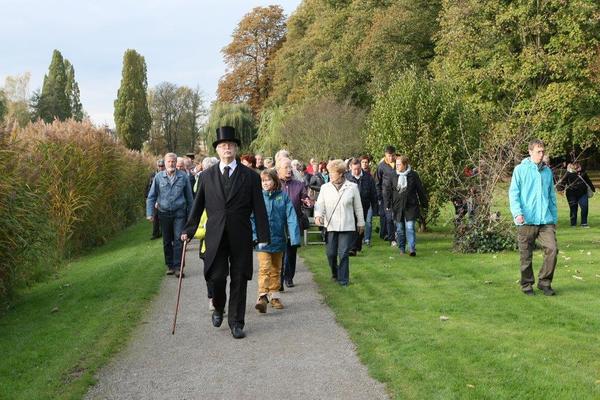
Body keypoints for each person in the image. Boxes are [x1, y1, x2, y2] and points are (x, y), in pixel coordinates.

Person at [181, 126, 270, 339]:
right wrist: (189, 229)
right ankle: (219, 307)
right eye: (223, 145)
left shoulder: (250, 176)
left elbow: (259, 207)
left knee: (239, 278)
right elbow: (198, 205)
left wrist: (264, 236)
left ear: (236, 148)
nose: (227, 148)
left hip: (240, 234)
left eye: (230, 145)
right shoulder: (206, 176)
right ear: (218, 150)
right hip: (216, 235)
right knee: (217, 276)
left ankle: (237, 322)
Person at [509, 139, 558, 296]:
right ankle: (527, 284)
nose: (541, 154)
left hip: (545, 220)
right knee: (526, 256)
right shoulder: (520, 170)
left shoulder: (547, 172)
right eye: (538, 151)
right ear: (530, 152)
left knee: (552, 249)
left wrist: (554, 218)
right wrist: (518, 214)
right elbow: (514, 194)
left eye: (543, 151)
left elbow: (551, 196)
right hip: (526, 220)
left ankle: (544, 282)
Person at [252, 169, 301, 313]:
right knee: (264, 268)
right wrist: (254, 236)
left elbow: (291, 217)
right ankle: (262, 296)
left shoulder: (283, 197)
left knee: (276, 269)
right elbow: (251, 218)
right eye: (263, 181)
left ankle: (274, 296)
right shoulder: (257, 197)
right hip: (262, 240)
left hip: (279, 239)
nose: (265, 183)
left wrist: (294, 236)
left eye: (268, 180)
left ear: (275, 181)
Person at [314, 159, 365, 286]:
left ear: (341, 173)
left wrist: (361, 223)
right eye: (329, 173)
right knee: (331, 254)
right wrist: (318, 215)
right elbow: (320, 205)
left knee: (343, 253)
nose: (330, 175)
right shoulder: (325, 188)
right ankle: (335, 273)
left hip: (347, 226)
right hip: (331, 226)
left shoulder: (352, 187)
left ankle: (343, 280)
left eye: (332, 173)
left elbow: (358, 207)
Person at [146, 153, 194, 278]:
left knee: (179, 239)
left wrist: (191, 216)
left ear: (176, 163)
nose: (171, 164)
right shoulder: (158, 177)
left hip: (179, 212)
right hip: (164, 213)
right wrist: (150, 213)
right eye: (169, 162)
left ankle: (178, 267)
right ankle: (170, 266)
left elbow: (190, 198)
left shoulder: (183, 177)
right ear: (165, 163)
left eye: (173, 161)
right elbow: (151, 196)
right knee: (167, 241)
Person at [383, 155, 428, 256]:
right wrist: (387, 204)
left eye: (399, 164)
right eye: (396, 164)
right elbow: (388, 191)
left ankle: (412, 248)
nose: (397, 166)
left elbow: (420, 189)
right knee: (400, 229)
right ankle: (402, 248)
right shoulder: (393, 175)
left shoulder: (413, 175)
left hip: (410, 205)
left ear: (405, 165)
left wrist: (424, 203)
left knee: (410, 227)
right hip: (397, 206)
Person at [277, 158, 310, 289]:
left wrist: (307, 201)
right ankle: (279, 279)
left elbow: (304, 197)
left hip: (294, 223)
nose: (289, 169)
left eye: (290, 167)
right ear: (278, 169)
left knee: (291, 251)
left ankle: (289, 277)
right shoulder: (274, 184)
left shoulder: (299, 184)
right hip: (278, 223)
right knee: (280, 252)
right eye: (286, 167)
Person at [345, 158, 377, 255]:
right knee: (352, 225)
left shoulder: (368, 177)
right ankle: (353, 248)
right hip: (350, 206)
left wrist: (374, 205)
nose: (356, 171)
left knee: (361, 225)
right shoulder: (346, 178)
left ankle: (357, 245)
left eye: (358, 168)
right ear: (350, 168)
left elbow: (373, 193)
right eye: (354, 169)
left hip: (364, 205)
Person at [558, 162, 595, 227]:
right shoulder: (568, 173)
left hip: (583, 193)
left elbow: (588, 180)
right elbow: (563, 182)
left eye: (577, 164)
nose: (576, 165)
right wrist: (561, 190)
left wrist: (592, 188)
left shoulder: (582, 172)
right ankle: (573, 224)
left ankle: (584, 223)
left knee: (584, 207)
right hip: (571, 194)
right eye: (574, 164)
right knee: (573, 208)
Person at [376, 146, 397, 245]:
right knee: (389, 218)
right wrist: (379, 196)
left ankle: (398, 235)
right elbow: (378, 183)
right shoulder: (381, 166)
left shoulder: (398, 164)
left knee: (397, 217)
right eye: (389, 156)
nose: (391, 158)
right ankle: (391, 239)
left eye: (393, 155)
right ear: (385, 155)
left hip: (397, 196)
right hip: (385, 197)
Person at [146, 159, 165, 240]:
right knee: (155, 216)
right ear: (157, 166)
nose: (161, 167)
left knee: (162, 216)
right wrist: (146, 197)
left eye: (162, 166)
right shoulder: (153, 175)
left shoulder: (166, 174)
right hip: (154, 197)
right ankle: (155, 233)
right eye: (159, 166)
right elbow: (148, 186)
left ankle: (163, 232)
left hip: (162, 198)